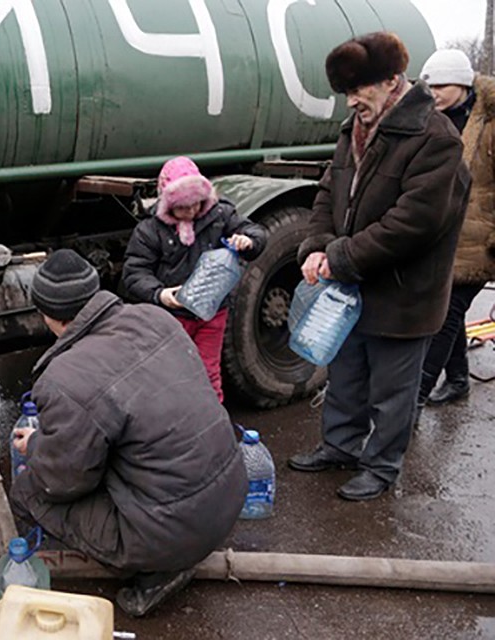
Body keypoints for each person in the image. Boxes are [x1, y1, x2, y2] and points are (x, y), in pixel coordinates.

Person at [10, 249, 247, 617]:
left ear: (45, 314)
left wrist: (36, 446)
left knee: (29, 490)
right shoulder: (155, 317)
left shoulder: (66, 378)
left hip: (174, 532)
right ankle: (161, 548)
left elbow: (62, 482)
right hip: (231, 495)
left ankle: (151, 569)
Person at [288, 33, 470, 501]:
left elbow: (413, 224)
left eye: (359, 90)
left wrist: (340, 258)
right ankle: (341, 446)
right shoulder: (354, 129)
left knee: (393, 392)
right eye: (346, 93)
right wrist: (316, 245)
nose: (352, 102)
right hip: (351, 289)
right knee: (345, 377)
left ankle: (382, 466)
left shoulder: (436, 138)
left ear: (392, 82)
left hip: (404, 293)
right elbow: (328, 193)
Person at [122, 156, 267, 402]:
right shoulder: (150, 229)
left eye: (196, 204)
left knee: (208, 373)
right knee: (169, 375)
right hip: (171, 318)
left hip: (211, 314)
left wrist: (248, 240)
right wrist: (160, 294)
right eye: (182, 206)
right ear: (167, 203)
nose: (190, 211)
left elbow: (256, 232)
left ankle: (211, 423)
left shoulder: (220, 214)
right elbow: (134, 273)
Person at [416, 49, 495, 408]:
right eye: (429, 86)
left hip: (482, 240)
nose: (433, 94)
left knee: (446, 315)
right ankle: (459, 379)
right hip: (446, 236)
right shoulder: (435, 120)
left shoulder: (490, 123)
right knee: (449, 310)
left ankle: (414, 397)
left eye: (441, 86)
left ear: (462, 83)